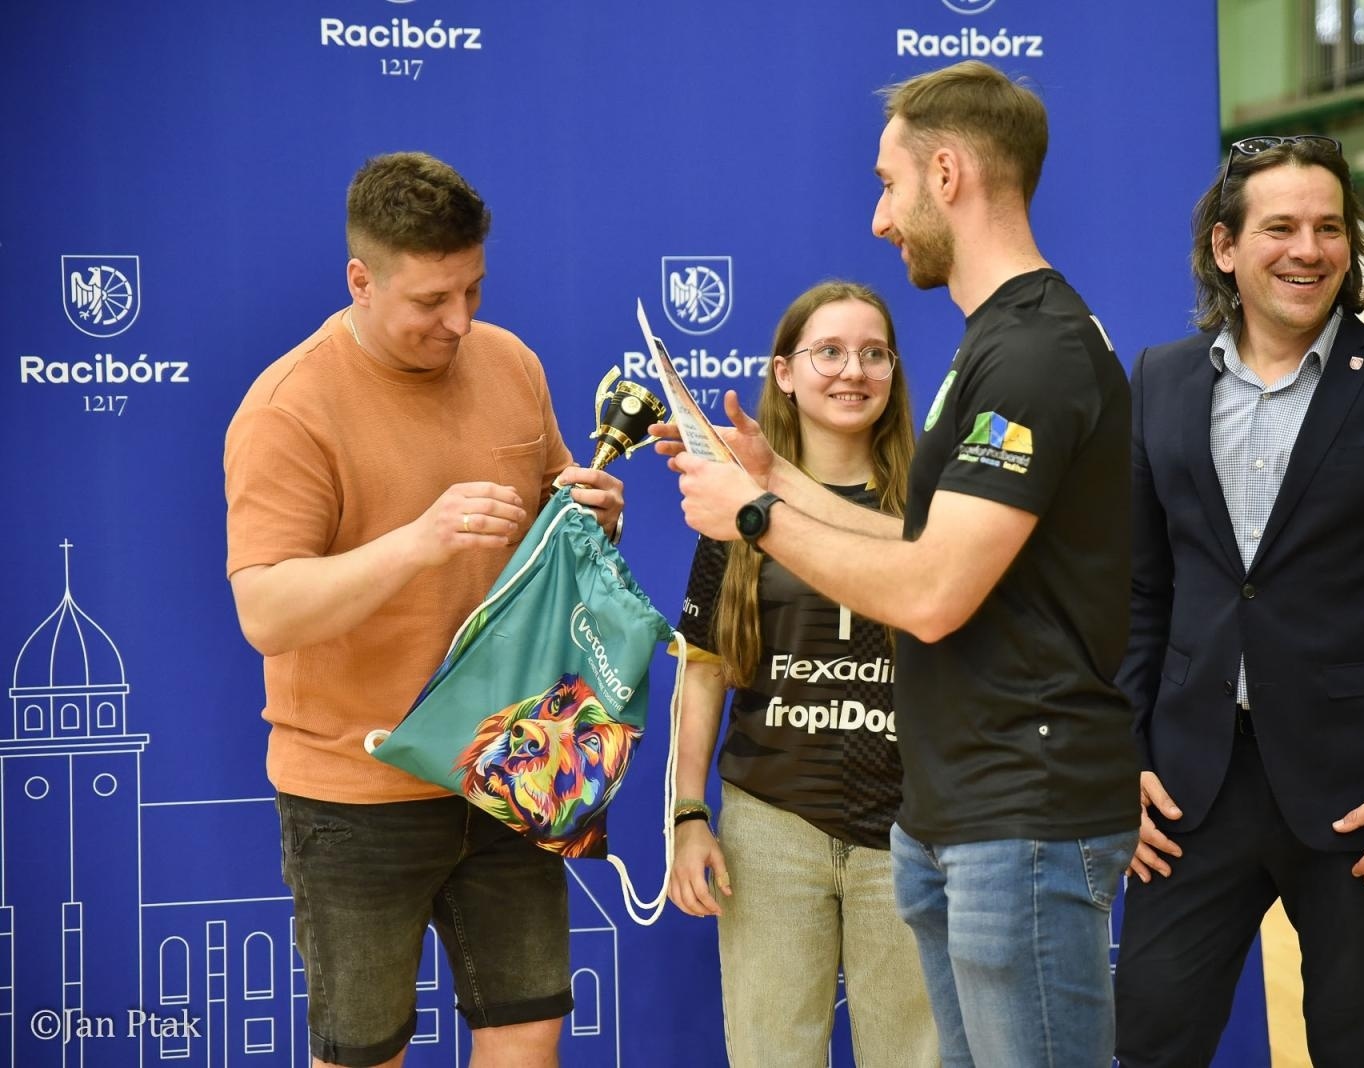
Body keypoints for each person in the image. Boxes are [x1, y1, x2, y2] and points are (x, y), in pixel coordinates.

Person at [656, 61, 1139, 1067]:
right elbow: (931, 547)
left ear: (949, 172)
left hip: (1025, 812)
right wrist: (780, 490)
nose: (880, 218)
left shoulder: (1033, 353)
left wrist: (751, 516)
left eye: (888, 182)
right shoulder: (993, 343)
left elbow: (930, 594)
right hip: (962, 815)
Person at [1112, 135, 1364, 1067]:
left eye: (1330, 227)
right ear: (1225, 247)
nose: (1309, 249)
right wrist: (1119, 757)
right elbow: (1141, 592)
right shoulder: (1161, 382)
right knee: (1146, 1041)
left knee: (1362, 1046)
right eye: (1281, 227)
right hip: (1188, 795)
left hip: (1360, 800)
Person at [223, 151, 622, 1068]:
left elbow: (547, 541)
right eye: (432, 302)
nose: (462, 321)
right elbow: (266, 610)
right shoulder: (289, 410)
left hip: (512, 761)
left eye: (474, 289)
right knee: (364, 1055)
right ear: (361, 280)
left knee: (527, 1036)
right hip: (356, 792)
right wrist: (416, 542)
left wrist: (594, 517)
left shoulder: (511, 361)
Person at [665, 280, 936, 1067]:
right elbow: (705, 669)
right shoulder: (734, 498)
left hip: (912, 825)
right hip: (771, 825)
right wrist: (687, 816)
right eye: (829, 351)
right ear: (784, 371)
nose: (853, 371)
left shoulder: (935, 505)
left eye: (873, 353)